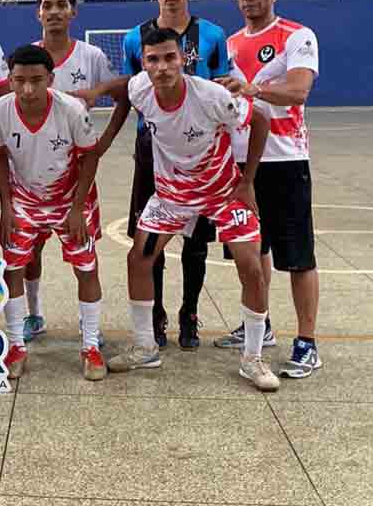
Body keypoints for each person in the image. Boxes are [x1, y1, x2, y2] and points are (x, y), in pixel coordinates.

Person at [106, 27, 279, 392]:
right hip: (172, 195)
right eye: (153, 59)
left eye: (170, 57)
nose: (162, 66)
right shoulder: (139, 89)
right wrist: (93, 93)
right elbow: (124, 93)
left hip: (222, 191)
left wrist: (247, 181)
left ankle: (252, 358)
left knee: (251, 266)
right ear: (144, 64)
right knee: (138, 259)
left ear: (183, 58)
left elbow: (261, 119)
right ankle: (145, 347)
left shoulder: (212, 96)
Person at [216, 0, 323, 379]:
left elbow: (299, 90)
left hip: (285, 159)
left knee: (297, 256)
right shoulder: (227, 44)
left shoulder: (296, 35)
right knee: (251, 251)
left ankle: (307, 342)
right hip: (239, 164)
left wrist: (253, 88)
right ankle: (260, 327)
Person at [120, 0, 230, 350]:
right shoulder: (134, 38)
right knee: (151, 237)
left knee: (196, 241)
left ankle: (190, 313)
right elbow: (130, 91)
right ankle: (156, 313)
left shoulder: (213, 35)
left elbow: (224, 88)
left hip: (201, 154)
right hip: (153, 148)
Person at [0, 45, 106, 381]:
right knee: (13, 267)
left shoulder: (72, 110)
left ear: (51, 79)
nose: (27, 89)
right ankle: (16, 345)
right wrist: (7, 207)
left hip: (70, 199)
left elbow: (90, 156)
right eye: (19, 80)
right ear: (10, 79)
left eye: (36, 80)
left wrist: (78, 208)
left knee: (86, 267)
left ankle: (90, 346)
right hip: (24, 199)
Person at [22, 0, 131, 343]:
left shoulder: (91, 56)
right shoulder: (28, 57)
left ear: (73, 12)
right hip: (32, 171)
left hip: (75, 173)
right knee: (30, 251)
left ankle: (89, 324)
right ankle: (34, 314)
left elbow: (123, 94)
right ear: (38, 13)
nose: (54, 11)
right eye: (47, 5)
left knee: (82, 251)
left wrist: (104, 142)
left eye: (61, 5)